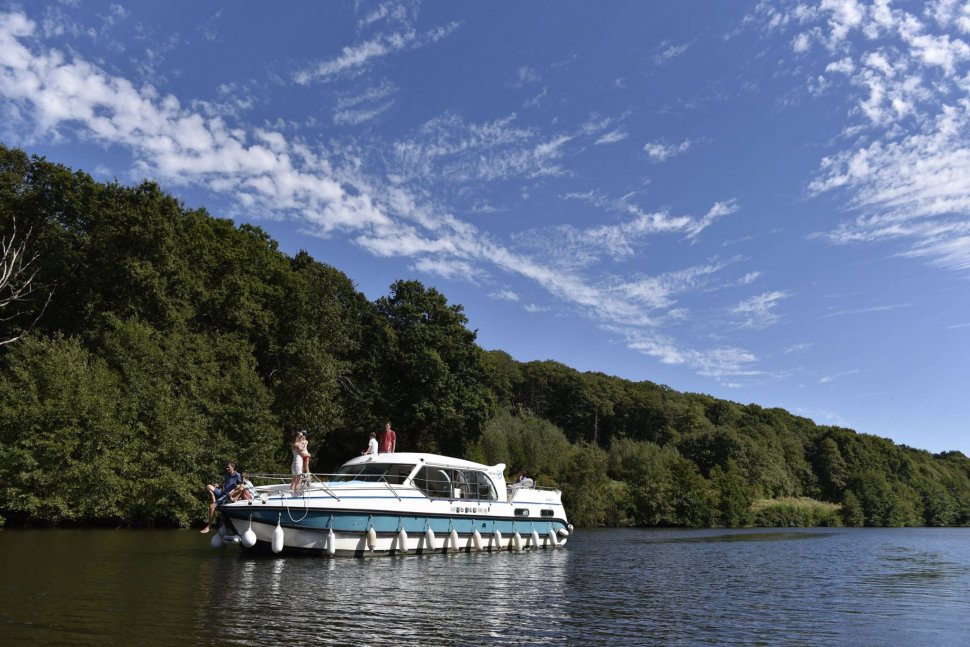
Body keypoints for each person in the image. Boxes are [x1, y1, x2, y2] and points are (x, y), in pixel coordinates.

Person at [201, 462, 243, 533]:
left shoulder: (237, 475)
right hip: (222, 491)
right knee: (208, 486)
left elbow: (241, 487)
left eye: (228, 467)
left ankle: (209, 526)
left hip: (226, 495)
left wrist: (233, 494)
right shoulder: (226, 475)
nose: (227, 469)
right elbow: (225, 485)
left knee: (211, 507)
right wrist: (218, 486)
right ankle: (213, 498)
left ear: (233, 467)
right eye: (226, 467)